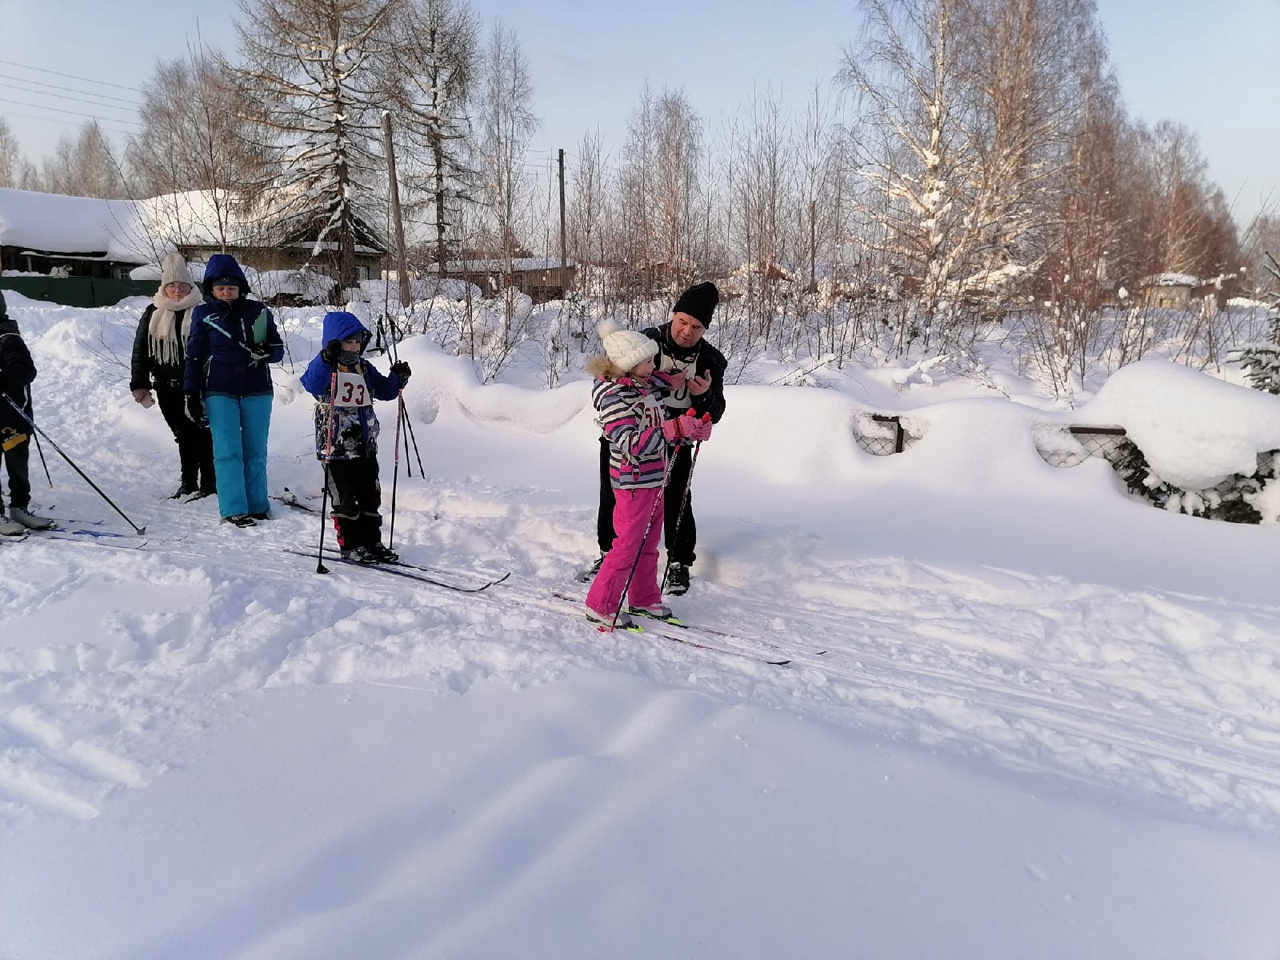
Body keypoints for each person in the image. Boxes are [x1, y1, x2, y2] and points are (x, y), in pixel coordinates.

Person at [580, 281, 727, 595]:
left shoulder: (711, 359)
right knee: (614, 498)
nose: (687, 331)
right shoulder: (646, 341)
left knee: (676, 498)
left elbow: (717, 410)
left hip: (677, 438)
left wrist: (703, 397)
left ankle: (678, 563)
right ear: (673, 315)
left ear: (705, 329)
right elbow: (614, 375)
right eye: (682, 321)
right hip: (628, 436)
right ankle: (609, 555)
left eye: (697, 326)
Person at [300, 310, 410, 563]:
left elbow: (385, 391)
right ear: (334, 342)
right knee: (345, 498)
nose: (354, 346)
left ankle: (372, 542)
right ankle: (351, 545)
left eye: (358, 341)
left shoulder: (364, 367)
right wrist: (326, 358)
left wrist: (398, 378)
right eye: (348, 341)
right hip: (336, 448)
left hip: (364, 445)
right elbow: (312, 384)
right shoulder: (326, 367)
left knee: (371, 495)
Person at [183, 254, 284, 528]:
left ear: (241, 288)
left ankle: (258, 505)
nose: (226, 292)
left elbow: (278, 350)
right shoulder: (204, 314)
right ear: (211, 290)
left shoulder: (258, 311)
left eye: (231, 287)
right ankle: (233, 508)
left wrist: (267, 351)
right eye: (220, 287)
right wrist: (191, 392)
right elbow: (193, 355)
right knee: (227, 450)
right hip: (219, 389)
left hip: (257, 389)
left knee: (255, 450)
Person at [129, 253, 216, 500]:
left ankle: (209, 484)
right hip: (166, 386)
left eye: (182, 285)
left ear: (190, 286)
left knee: (203, 435)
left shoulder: (203, 310)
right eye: (172, 285)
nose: (177, 290)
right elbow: (141, 350)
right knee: (182, 436)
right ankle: (188, 482)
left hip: (199, 387)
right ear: (164, 287)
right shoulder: (153, 311)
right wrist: (140, 383)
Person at [0, 289, 54, 535]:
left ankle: (19, 508)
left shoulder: (8, 337)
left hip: (12, 416)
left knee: (17, 467)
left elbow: (25, 371)